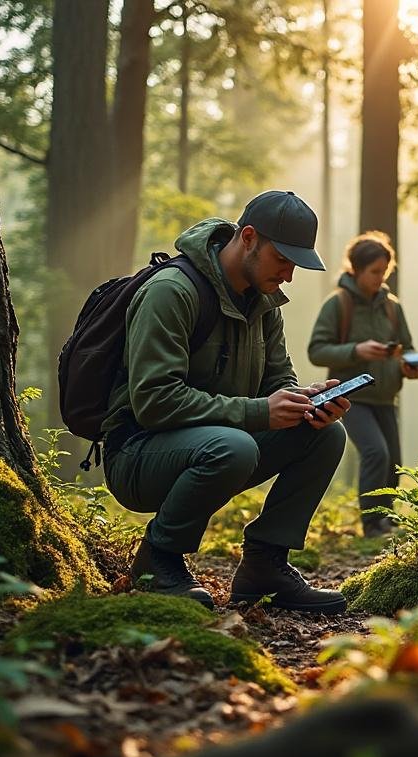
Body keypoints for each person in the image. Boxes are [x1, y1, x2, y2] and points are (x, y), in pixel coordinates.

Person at [102, 190, 352, 615]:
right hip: (139, 454)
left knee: (324, 434)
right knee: (235, 446)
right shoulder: (172, 292)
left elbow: (278, 381)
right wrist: (259, 412)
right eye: (283, 260)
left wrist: (306, 403)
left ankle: (264, 566)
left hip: (218, 444)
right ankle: (157, 559)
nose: (289, 275)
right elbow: (154, 400)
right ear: (249, 237)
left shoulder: (265, 304)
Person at [307, 231, 418, 538]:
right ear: (356, 269)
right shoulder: (339, 304)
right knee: (376, 452)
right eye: (374, 271)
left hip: (386, 397)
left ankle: (387, 519)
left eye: (385, 271)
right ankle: (372, 524)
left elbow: (407, 347)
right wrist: (356, 351)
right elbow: (316, 350)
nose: (380, 278)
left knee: (394, 461)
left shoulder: (392, 307)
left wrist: (410, 366)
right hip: (351, 397)